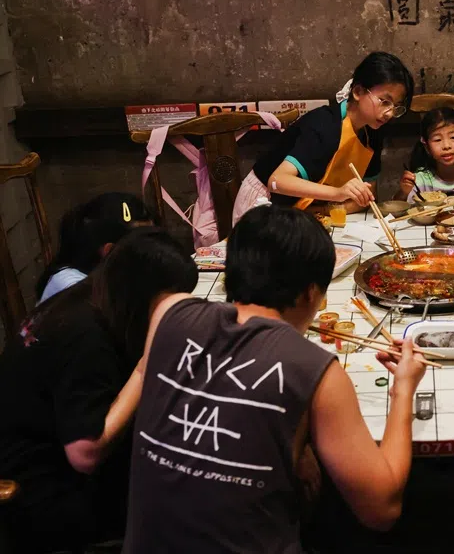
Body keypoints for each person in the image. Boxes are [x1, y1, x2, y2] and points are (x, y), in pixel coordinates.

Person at [124, 206, 426, 553]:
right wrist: (403, 388)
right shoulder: (317, 370)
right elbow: (381, 509)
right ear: (311, 293)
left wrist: (299, 445)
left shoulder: (169, 312)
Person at [0, 228, 198, 553]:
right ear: (144, 295)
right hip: (38, 490)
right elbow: (85, 453)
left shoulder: (93, 294)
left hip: (47, 457)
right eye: (170, 301)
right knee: (189, 490)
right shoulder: (86, 337)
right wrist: (146, 366)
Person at [232, 51, 415, 223]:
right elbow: (277, 181)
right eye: (384, 101)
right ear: (358, 92)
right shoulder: (324, 124)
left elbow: (364, 197)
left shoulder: (373, 131)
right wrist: (338, 194)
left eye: (396, 106)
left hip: (306, 210)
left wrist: (330, 208)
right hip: (264, 203)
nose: (389, 113)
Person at [36, 192, 155, 303]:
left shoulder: (110, 274)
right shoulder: (73, 288)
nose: (155, 249)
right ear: (109, 250)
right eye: (146, 243)